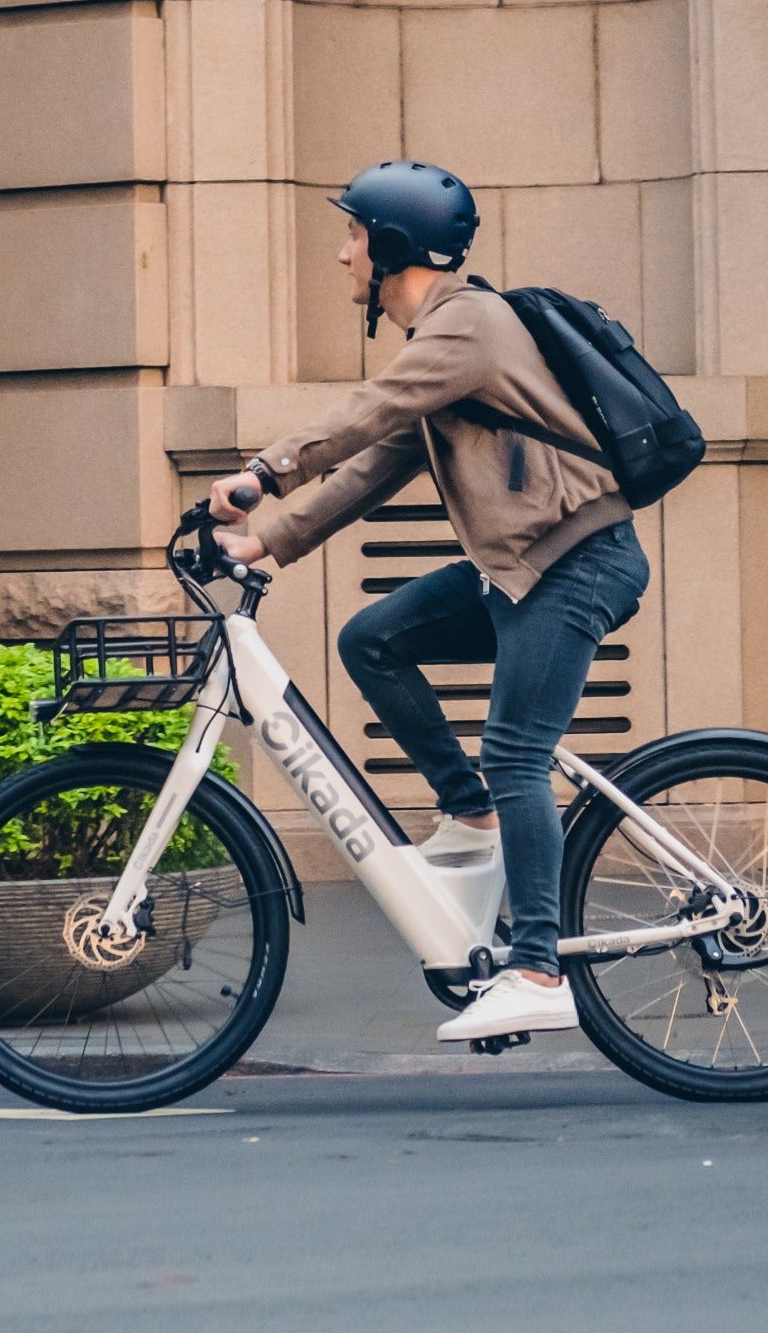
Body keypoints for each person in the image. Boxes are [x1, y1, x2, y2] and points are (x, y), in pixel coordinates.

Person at [211, 160, 651, 1046]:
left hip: (575, 562)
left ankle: (537, 969)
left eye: (352, 236)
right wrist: (272, 540)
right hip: (521, 565)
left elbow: (369, 414)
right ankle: (471, 807)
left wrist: (264, 471)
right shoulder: (447, 345)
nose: (342, 257)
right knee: (373, 638)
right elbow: (386, 459)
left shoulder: (468, 325)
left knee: (518, 750)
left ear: (394, 246)